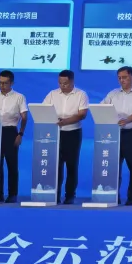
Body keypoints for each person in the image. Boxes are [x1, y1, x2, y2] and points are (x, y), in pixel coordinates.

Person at [102, 66, 132, 206]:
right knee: (113, 166)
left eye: (125, 77)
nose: (122, 80)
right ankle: (113, 196)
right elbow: (102, 107)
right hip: (114, 134)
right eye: (119, 78)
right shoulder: (113, 94)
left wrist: (127, 120)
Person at [43, 70, 89, 205]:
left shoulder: (81, 94)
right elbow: (43, 109)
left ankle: (70, 195)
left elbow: (82, 114)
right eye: (60, 83)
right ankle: (55, 195)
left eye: (65, 83)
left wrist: (66, 121)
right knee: (56, 165)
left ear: (72, 81)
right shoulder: (52, 94)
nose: (62, 86)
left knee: (71, 165)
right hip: (55, 134)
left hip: (73, 133)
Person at [0, 70, 27, 203]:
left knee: (11, 164)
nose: (1, 86)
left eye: (5, 83)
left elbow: (24, 117)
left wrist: (20, 134)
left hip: (11, 132)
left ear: (12, 83)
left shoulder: (19, 97)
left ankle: (12, 194)